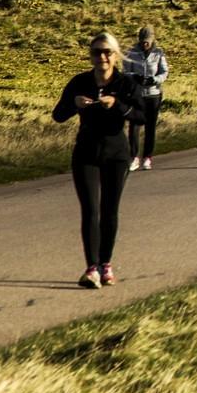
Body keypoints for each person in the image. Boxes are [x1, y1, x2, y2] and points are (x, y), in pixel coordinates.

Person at [53, 32, 142, 288]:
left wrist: (117, 105)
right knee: (90, 210)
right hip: (86, 153)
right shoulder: (80, 82)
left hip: (117, 154)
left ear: (115, 55)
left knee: (109, 210)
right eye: (96, 52)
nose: (102, 57)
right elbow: (58, 115)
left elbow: (141, 116)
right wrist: (74, 103)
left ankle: (106, 264)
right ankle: (91, 268)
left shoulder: (126, 83)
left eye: (107, 52)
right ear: (90, 55)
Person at [123, 26, 169, 172]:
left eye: (147, 41)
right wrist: (134, 77)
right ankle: (134, 157)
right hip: (136, 95)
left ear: (152, 40)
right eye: (143, 41)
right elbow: (125, 72)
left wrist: (154, 80)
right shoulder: (131, 52)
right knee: (134, 127)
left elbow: (164, 72)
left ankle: (147, 157)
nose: (145, 44)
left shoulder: (158, 53)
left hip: (153, 94)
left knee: (150, 128)